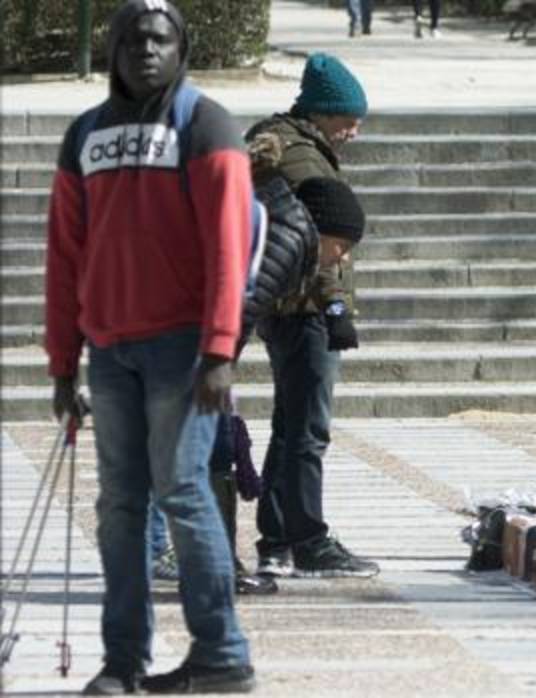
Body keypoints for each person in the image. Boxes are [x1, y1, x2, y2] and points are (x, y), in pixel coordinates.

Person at [43, 0, 254, 693]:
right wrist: (60, 361)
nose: (146, 50)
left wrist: (221, 349)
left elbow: (229, 244)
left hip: (184, 350)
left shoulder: (206, 125)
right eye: (132, 39)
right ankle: (124, 661)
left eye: (161, 39)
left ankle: (222, 655)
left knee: (184, 494)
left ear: (181, 48)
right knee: (119, 508)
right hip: (109, 350)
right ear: (113, 50)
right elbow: (65, 255)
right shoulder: (86, 132)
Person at [244, 56, 379, 579]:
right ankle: (307, 539)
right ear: (319, 112)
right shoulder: (299, 157)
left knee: (291, 424)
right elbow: (315, 242)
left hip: (291, 307)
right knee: (307, 429)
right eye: (346, 118)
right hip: (306, 308)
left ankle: (278, 537)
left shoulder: (293, 145)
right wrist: (338, 308)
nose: (353, 130)